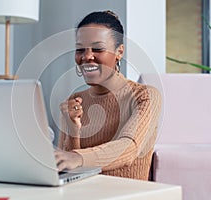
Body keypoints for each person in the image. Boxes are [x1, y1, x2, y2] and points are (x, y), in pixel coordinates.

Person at [55, 10, 161, 180]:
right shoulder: (74, 100)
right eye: (80, 49)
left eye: (98, 49)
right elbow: (66, 171)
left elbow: (129, 148)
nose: (87, 56)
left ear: (119, 52)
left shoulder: (145, 96)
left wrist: (78, 157)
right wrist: (73, 130)